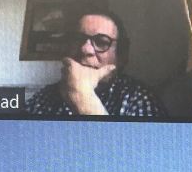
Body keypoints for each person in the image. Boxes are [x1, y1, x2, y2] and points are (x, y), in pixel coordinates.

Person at [25, 11, 167, 118]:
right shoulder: (44, 97)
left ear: (121, 56)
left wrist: (82, 97)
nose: (85, 49)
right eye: (78, 39)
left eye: (101, 42)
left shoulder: (138, 99)